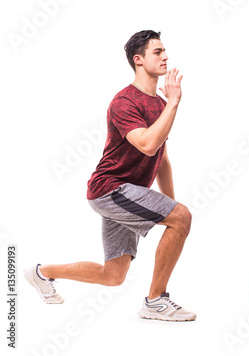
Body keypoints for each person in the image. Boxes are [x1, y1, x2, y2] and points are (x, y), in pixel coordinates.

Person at [24, 30, 196, 322]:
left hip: (124, 194)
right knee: (182, 216)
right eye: (158, 52)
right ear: (138, 60)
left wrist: (169, 205)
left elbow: (161, 158)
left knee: (113, 275)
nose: (166, 56)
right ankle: (155, 301)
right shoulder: (125, 102)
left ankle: (41, 273)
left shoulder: (158, 104)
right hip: (110, 189)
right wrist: (174, 103)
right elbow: (146, 143)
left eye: (165, 51)